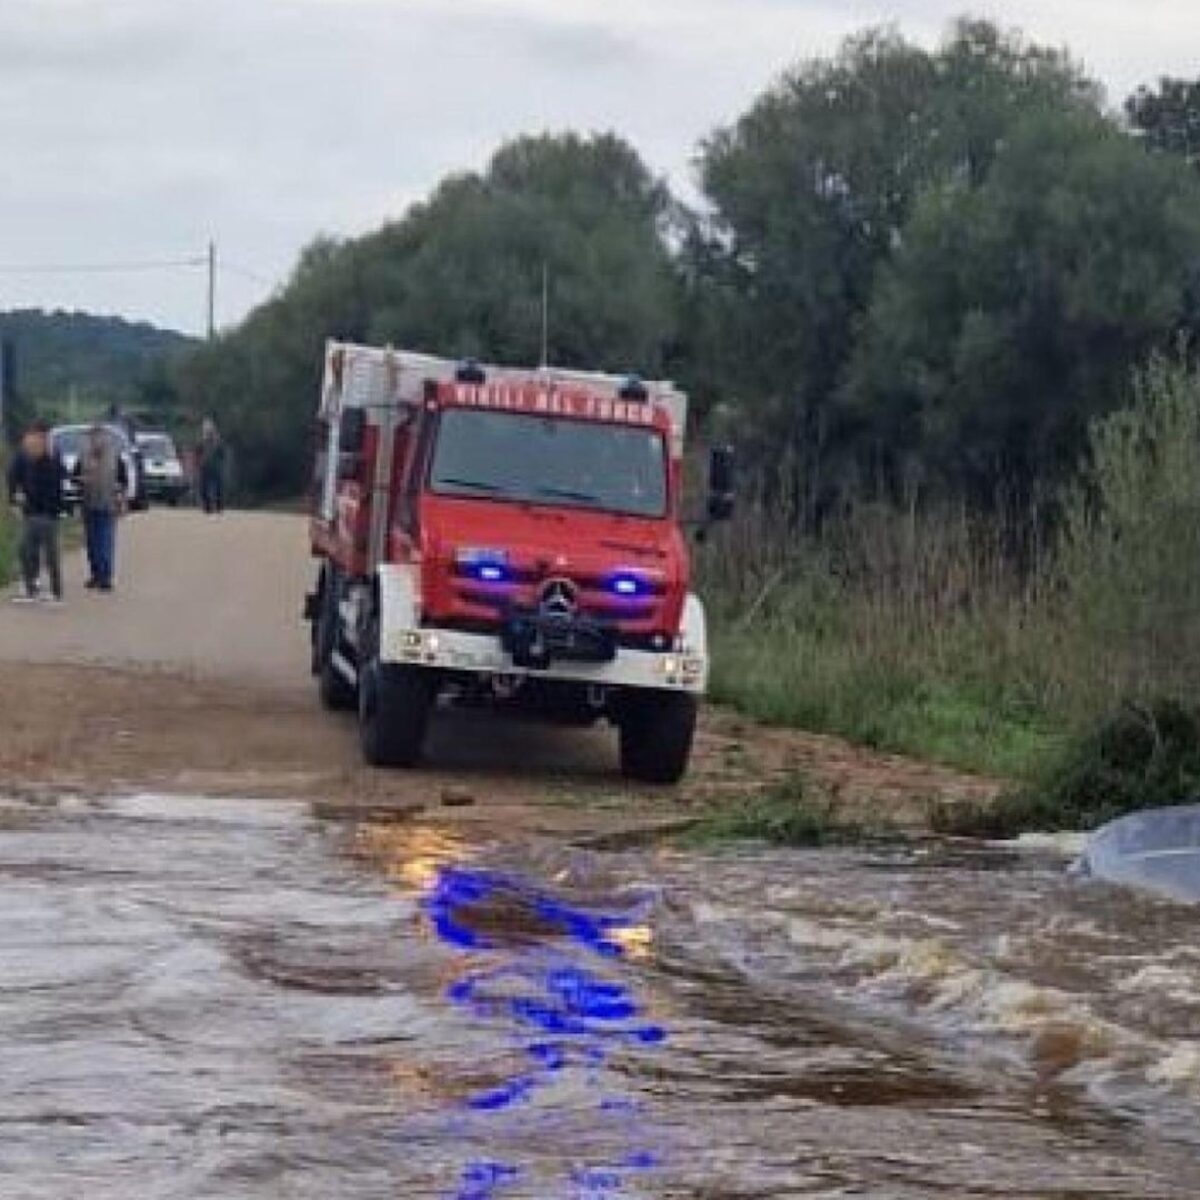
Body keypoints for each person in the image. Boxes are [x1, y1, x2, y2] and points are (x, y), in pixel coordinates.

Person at [5, 419, 67, 604]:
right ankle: (31, 587)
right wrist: (14, 498)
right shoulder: (24, 454)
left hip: (47, 510)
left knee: (48, 553)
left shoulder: (52, 454)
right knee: (27, 550)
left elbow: (59, 478)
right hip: (31, 510)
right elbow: (12, 475)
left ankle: (54, 592)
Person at [73, 424, 127, 592]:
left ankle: (105, 577)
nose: (97, 441)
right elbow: (73, 477)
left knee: (105, 541)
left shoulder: (114, 457)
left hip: (107, 504)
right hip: (88, 502)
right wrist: (80, 480)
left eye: (100, 437)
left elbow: (123, 481)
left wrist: (121, 497)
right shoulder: (83, 456)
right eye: (93, 437)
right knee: (91, 543)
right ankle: (96, 575)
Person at [197, 417, 227, 515]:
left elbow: (222, 454)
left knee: (218, 488)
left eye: (209, 428)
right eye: (205, 428)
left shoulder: (218, 442)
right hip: (204, 467)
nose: (207, 430)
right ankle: (207, 507)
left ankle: (219, 507)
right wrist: (199, 463)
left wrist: (219, 463)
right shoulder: (202, 441)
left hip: (215, 468)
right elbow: (198, 452)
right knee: (203, 488)